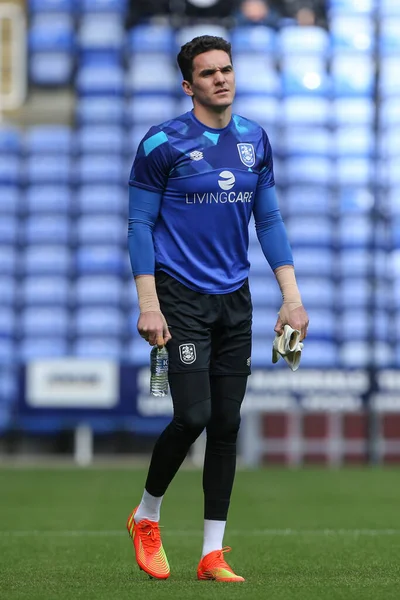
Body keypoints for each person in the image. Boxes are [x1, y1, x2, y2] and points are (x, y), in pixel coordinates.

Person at [127, 35, 309, 582]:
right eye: (207, 73)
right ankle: (146, 515)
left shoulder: (255, 139)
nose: (220, 79)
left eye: (226, 69)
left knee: (227, 423)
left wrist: (292, 298)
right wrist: (148, 304)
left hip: (236, 297)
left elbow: (269, 221)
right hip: (179, 296)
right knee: (195, 416)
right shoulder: (161, 142)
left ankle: (212, 553)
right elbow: (139, 224)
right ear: (189, 85)